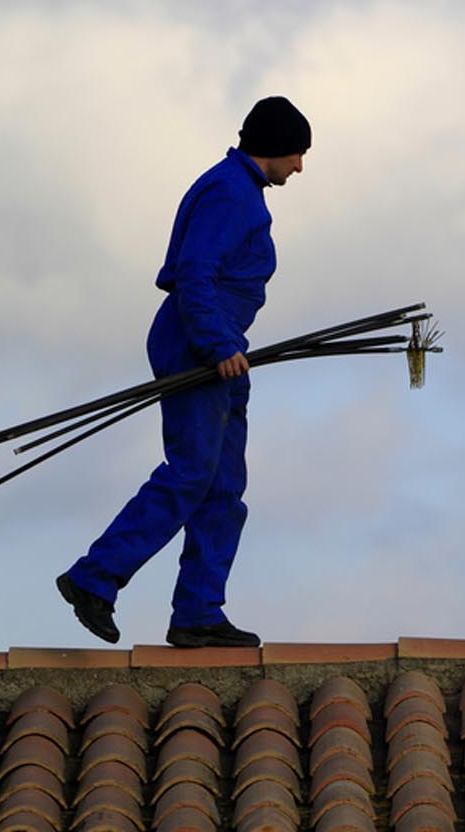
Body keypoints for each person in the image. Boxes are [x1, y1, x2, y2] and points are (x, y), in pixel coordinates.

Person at [56, 97, 310, 647]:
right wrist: (218, 344)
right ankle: (93, 579)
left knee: (223, 488)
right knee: (192, 473)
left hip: (220, 351)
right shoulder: (229, 192)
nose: (299, 167)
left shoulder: (238, 189)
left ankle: (198, 612)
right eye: (297, 153)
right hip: (199, 345)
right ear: (275, 146)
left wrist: (227, 348)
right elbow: (194, 273)